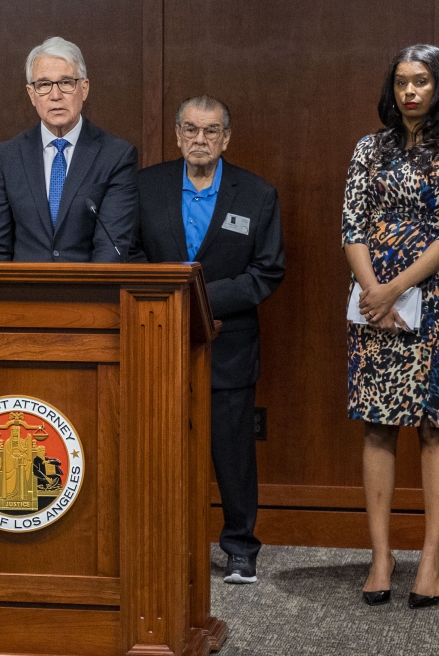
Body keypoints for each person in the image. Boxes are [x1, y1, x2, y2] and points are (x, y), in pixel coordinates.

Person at [342, 45, 439, 609]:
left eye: (421, 81)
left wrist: (396, 288)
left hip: (434, 297)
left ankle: (431, 555)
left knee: (431, 423)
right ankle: (381, 554)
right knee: (376, 423)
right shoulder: (368, 149)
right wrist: (375, 290)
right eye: (401, 81)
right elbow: (352, 223)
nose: (410, 92)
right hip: (371, 298)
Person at [134, 95, 285, 585]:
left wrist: (195, 297)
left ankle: (241, 548)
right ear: (177, 134)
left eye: (211, 131)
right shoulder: (144, 186)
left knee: (233, 452)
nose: (200, 140)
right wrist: (164, 300)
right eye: (192, 130)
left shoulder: (257, 195)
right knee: (157, 448)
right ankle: (161, 544)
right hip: (156, 340)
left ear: (226, 139)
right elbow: (127, 254)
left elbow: (266, 273)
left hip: (229, 345)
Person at [0, 36, 138, 262]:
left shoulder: (116, 156)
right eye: (43, 85)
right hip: (23, 293)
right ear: (32, 95)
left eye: (66, 82)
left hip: (89, 293)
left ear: (84, 88)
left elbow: (110, 250)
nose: (55, 96)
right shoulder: (7, 156)